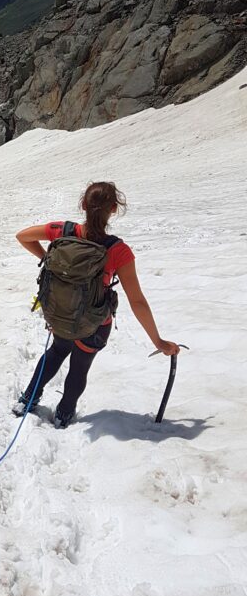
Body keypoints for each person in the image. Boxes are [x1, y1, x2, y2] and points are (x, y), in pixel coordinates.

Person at [15, 181, 180, 429]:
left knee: (56, 352)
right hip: (94, 323)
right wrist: (158, 341)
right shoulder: (118, 250)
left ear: (83, 205)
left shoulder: (62, 231)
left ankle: (28, 399)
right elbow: (137, 301)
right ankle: (63, 414)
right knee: (79, 367)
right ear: (113, 209)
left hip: (61, 313)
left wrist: (50, 260)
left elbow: (22, 236)